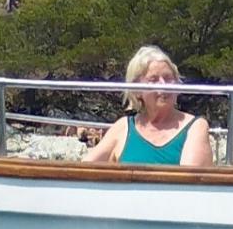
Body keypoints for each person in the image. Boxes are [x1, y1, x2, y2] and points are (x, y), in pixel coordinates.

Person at [85, 45, 214, 168]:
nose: (163, 85)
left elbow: (189, 181)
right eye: (153, 80)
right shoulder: (123, 127)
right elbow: (84, 169)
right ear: (137, 90)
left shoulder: (195, 127)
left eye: (168, 78)